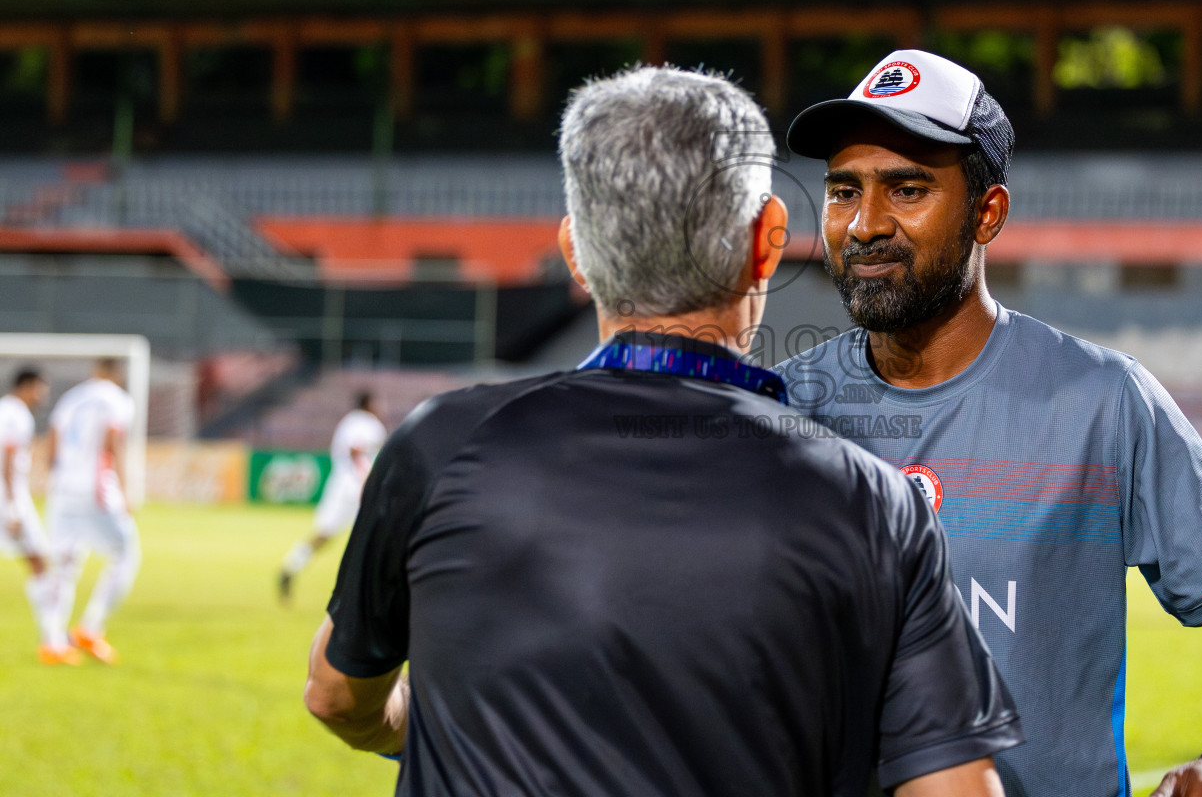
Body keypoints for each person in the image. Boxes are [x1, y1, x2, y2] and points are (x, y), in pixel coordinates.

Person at [305, 66, 1022, 797]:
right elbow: (958, 789)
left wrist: (431, 728)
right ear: (768, 240)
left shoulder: (440, 445)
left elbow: (335, 695)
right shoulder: (874, 503)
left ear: (576, 253)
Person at [776, 49, 1202, 797]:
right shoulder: (781, 408)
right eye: (844, 191)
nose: (865, 224)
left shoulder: (1103, 401)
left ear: (988, 213)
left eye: (907, 188)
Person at [40, 358, 138, 665]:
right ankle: (90, 628)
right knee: (125, 554)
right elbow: (113, 443)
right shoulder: (116, 399)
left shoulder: (71, 397)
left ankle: (53, 643)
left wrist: (58, 479)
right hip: (95, 492)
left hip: (62, 491)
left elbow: (51, 446)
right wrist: (125, 490)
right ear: (117, 374)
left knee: (63, 564)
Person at [279, 391, 388, 602]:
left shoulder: (347, 422)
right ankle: (368, 590)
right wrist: (366, 479)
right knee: (376, 536)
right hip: (357, 486)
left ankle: (292, 565)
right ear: (369, 403)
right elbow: (356, 451)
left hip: (339, 483)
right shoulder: (369, 423)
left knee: (325, 533)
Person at [0, 368, 65, 663]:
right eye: (41, 388)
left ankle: (53, 638)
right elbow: (8, 458)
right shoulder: (17, 415)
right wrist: (13, 507)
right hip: (9, 499)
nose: (43, 395)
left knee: (39, 561)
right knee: (40, 561)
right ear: (27, 386)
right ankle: (52, 641)